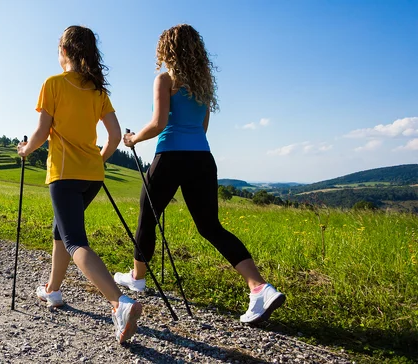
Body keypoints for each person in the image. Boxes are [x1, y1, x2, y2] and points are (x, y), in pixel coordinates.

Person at [113, 24, 286, 324]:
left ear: (167, 50)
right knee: (211, 227)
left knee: (146, 215)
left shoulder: (164, 80)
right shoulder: (203, 84)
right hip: (202, 158)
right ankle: (259, 287)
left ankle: (137, 278)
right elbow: (202, 127)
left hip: (170, 156)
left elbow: (158, 123)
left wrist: (132, 140)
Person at [17, 25, 142, 343]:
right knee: (60, 231)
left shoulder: (53, 84)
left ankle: (120, 303)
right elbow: (114, 136)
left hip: (64, 174)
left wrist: (25, 149)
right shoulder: (98, 91)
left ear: (65, 51)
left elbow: (42, 132)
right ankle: (53, 290)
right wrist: (98, 159)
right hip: (92, 176)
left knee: (74, 241)